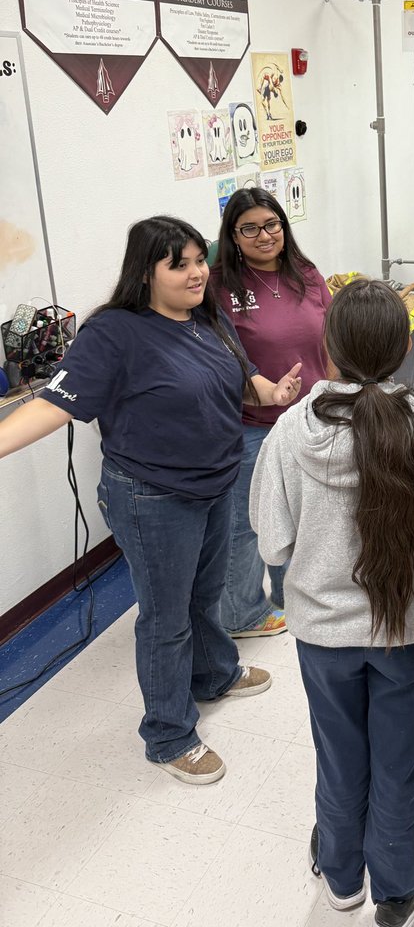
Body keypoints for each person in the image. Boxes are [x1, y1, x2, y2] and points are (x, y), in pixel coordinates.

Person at [0, 216, 305, 784]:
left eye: (198, 260)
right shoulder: (114, 333)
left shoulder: (205, 316)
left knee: (205, 595)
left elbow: (243, 379)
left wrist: (272, 391)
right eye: (180, 264)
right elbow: (53, 404)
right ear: (145, 273)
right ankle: (168, 734)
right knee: (166, 619)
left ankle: (213, 673)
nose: (196, 273)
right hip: (153, 497)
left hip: (215, 481)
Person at [250, 278, 414, 927]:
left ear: (329, 346)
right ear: (404, 347)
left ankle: (342, 883)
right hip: (407, 636)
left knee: (338, 755)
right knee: (399, 765)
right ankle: (397, 886)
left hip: (322, 638)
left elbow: (271, 539)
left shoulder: (290, 433)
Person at [210, 188, 331, 638]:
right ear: (233, 236)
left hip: (312, 420)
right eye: (250, 228)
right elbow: (222, 355)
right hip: (252, 426)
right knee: (246, 521)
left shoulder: (305, 272)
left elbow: (331, 337)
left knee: (302, 512)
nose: (264, 235)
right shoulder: (220, 285)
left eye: (272, 224)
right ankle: (243, 614)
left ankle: (289, 592)